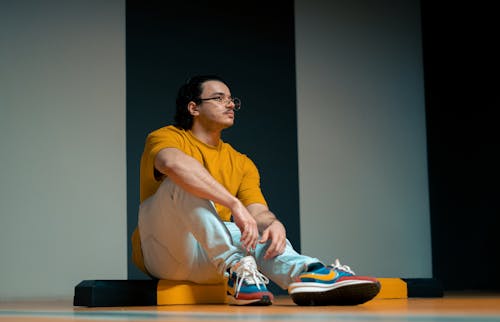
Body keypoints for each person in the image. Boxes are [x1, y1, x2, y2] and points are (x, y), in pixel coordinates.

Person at [132, 74, 380, 306]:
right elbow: (172, 164)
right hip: (165, 250)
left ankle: (308, 273)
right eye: (219, 98)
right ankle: (233, 266)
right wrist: (233, 203)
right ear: (193, 107)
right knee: (180, 180)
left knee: (260, 232)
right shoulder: (166, 136)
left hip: (213, 259)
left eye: (231, 100)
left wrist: (273, 224)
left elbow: (258, 212)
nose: (229, 104)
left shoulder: (242, 162)